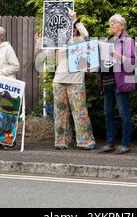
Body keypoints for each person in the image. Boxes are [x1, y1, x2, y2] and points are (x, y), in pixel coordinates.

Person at [35, 11, 97, 150]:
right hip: (59, 80)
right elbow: (46, 56)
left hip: (76, 80)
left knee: (80, 111)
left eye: (74, 28)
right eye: (71, 28)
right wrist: (39, 44)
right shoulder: (60, 42)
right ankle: (62, 141)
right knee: (60, 112)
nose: (73, 30)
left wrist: (75, 20)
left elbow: (86, 35)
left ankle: (85, 141)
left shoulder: (81, 40)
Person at [101, 14, 136, 154]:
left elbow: (133, 63)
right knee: (108, 113)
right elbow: (105, 62)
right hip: (108, 81)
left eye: (114, 22)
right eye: (110, 22)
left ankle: (125, 144)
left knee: (123, 113)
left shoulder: (128, 41)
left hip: (121, 81)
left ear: (122, 25)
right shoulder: (107, 41)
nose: (111, 24)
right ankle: (110, 143)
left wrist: (120, 57)